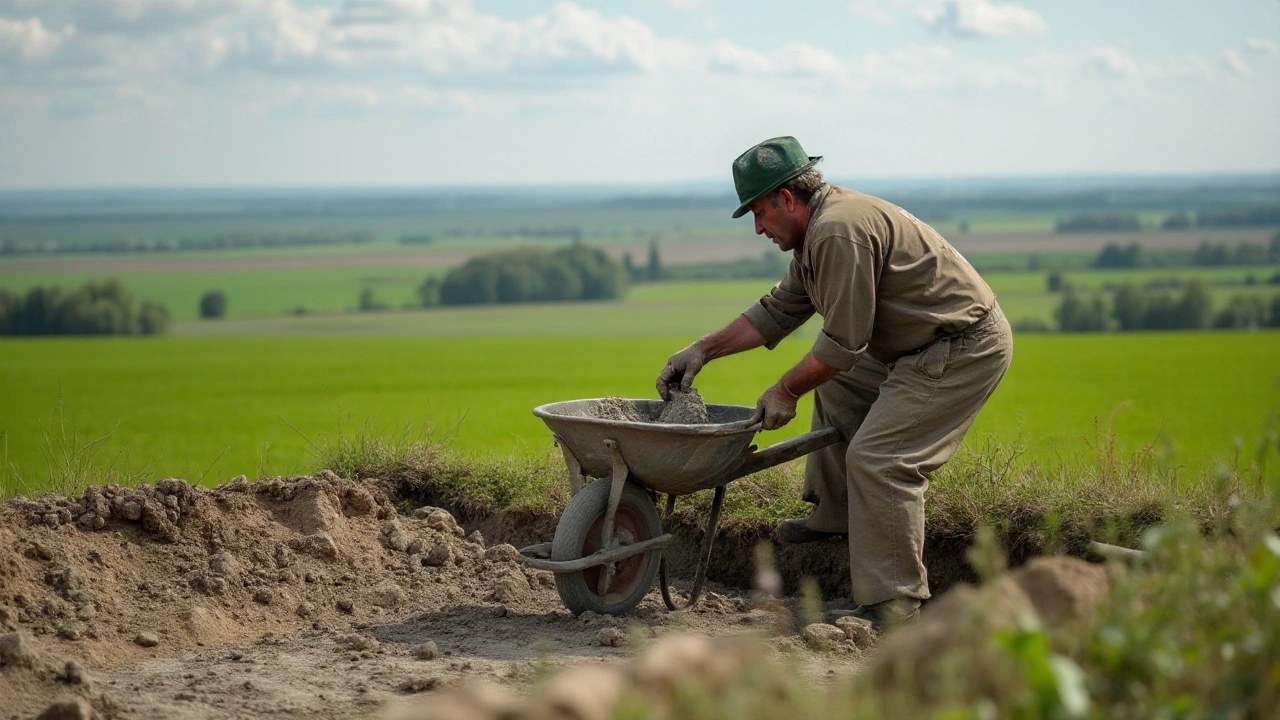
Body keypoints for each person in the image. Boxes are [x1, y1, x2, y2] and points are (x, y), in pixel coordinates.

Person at [656, 136, 1012, 629]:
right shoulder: (817, 231)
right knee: (838, 386)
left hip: (960, 345)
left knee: (882, 459)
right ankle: (837, 517)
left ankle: (894, 603)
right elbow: (777, 311)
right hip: (911, 345)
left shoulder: (837, 233)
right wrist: (702, 350)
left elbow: (843, 342)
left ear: (786, 197)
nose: (758, 228)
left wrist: (785, 390)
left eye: (759, 213)